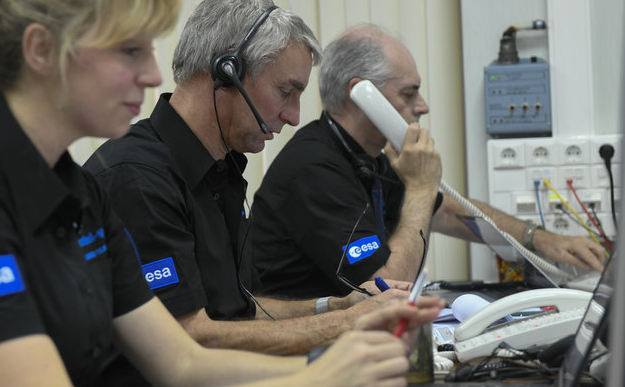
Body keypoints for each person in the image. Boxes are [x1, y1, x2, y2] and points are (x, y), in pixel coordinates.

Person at [0, 0, 442, 387]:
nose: (153, 75)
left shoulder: (77, 194)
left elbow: (184, 363)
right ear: (42, 49)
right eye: (130, 51)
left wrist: (346, 372)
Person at [83, 0, 420, 366]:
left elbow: (237, 313)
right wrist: (346, 324)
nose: (294, 117)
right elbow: (188, 339)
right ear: (229, 71)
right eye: (286, 91)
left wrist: (338, 305)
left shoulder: (219, 172)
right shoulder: (138, 178)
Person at [251, 23, 608, 299]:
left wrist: (540, 239)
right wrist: (420, 187)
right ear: (362, 96)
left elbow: (447, 212)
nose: (423, 106)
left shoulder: (371, 154)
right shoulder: (314, 168)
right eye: (409, 93)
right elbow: (387, 290)